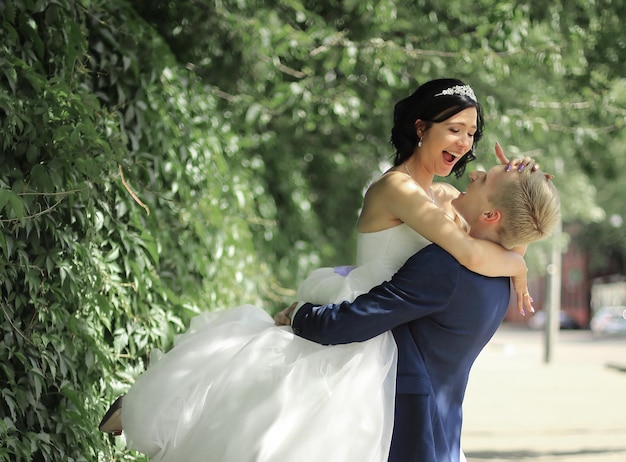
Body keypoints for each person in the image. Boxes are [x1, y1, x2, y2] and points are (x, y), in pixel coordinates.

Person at [98, 79, 531, 461]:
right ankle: (154, 408)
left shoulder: (447, 193)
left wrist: (522, 194)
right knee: (275, 427)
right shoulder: (397, 187)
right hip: (363, 317)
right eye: (453, 129)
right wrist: (518, 264)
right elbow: (473, 255)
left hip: (390, 333)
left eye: (471, 133)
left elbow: (498, 227)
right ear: (421, 128)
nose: (463, 143)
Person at [284, 161, 561, 462]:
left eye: (482, 180)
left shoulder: (445, 267)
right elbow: (514, 224)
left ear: (490, 215)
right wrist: (519, 188)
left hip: (405, 434)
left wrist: (299, 313)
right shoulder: (503, 279)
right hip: (444, 437)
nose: (473, 173)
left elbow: (350, 323)